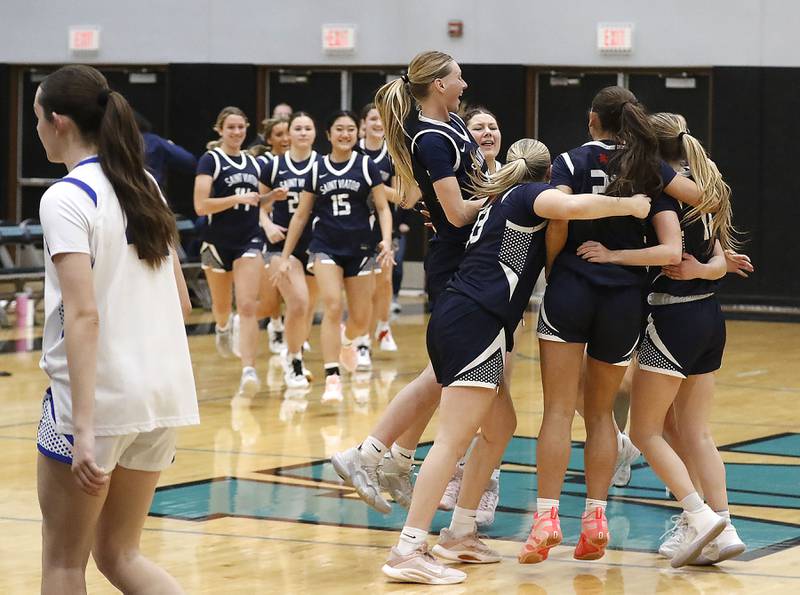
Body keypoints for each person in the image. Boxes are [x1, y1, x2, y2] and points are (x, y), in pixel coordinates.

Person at [381, 138, 652, 585]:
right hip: (475, 320)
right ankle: (408, 548)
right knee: (451, 440)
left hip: (467, 317)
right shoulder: (527, 195)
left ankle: (460, 532)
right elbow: (577, 208)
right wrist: (631, 205)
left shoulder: (498, 199)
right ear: (546, 177)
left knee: (500, 427)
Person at [34, 64, 199, 594]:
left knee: (63, 563)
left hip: (99, 401)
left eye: (35, 117)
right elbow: (181, 300)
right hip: (160, 396)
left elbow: (83, 315)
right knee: (120, 554)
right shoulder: (142, 182)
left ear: (58, 122)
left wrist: (82, 428)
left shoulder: (65, 197)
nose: (36, 128)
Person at [525, 86, 703, 564]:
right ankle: (596, 518)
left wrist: (553, 266)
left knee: (559, 411)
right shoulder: (648, 165)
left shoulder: (568, 160)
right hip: (624, 296)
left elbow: (558, 218)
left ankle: (546, 517)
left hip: (571, 287)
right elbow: (702, 195)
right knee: (602, 414)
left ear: (591, 121)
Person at [331, 51, 487, 517]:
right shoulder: (431, 139)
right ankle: (369, 454)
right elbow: (458, 212)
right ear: (439, 84)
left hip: (471, 260)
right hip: (453, 266)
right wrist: (510, 195)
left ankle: (392, 458)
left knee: (447, 374)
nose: (465, 82)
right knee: (446, 373)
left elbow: (445, 196)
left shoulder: (454, 126)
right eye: (459, 76)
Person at [628, 112, 746, 567]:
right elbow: (717, 263)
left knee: (644, 430)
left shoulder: (661, 195)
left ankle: (699, 518)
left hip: (672, 318)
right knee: (692, 431)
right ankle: (723, 524)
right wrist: (702, 269)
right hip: (709, 316)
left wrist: (614, 254)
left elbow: (670, 253)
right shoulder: (705, 191)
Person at [272, 110, 394, 401]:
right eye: (339, 129)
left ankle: (349, 342)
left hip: (361, 248)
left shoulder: (366, 166)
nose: (345, 134)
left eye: (351, 129)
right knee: (332, 305)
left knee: (361, 318)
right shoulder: (317, 168)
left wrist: (387, 241)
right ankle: (332, 378)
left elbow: (382, 208)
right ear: (328, 134)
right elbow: (301, 215)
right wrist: (287, 254)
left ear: (357, 133)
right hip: (325, 246)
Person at [439, 106, 505, 524]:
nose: (487, 132)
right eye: (478, 126)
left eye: (493, 126)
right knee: (456, 391)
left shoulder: (516, 176)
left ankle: (487, 483)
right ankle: (452, 468)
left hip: (502, 299)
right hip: (463, 293)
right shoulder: (459, 176)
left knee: (499, 396)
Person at [193, 107, 287, 395]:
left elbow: (256, 201)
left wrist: (271, 197)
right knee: (222, 307)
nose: (236, 132)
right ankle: (222, 327)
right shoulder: (211, 160)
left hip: (249, 241)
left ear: (246, 129)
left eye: (240, 127)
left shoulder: (252, 162)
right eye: (230, 127)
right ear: (220, 130)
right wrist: (235, 197)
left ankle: (249, 369)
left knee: (247, 305)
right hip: (217, 242)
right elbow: (200, 205)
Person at [259, 112, 319, 388]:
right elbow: (257, 203)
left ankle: (294, 353)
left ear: (315, 133)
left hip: (317, 244)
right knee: (298, 303)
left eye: (308, 128)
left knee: (307, 310)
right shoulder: (274, 166)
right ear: (289, 133)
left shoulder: (323, 165)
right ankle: (293, 361)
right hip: (279, 243)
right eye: (298, 128)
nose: (303, 132)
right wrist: (267, 223)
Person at [358, 103, 400, 354]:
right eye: (373, 118)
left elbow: (401, 197)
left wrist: (375, 187)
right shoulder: (353, 151)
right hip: (356, 227)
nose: (377, 123)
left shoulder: (392, 155)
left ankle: (383, 327)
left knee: (384, 281)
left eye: (382, 119)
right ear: (363, 123)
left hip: (384, 226)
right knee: (364, 285)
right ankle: (361, 338)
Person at [134, 111, 196, 188]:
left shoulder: (117, 143)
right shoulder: (153, 141)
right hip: (150, 192)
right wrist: (171, 146)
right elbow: (189, 161)